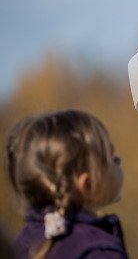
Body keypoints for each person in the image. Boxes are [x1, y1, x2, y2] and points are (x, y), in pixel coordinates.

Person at [6, 110, 128, 259]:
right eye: (111, 156)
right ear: (87, 184)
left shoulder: (18, 245)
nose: (119, 161)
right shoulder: (99, 252)